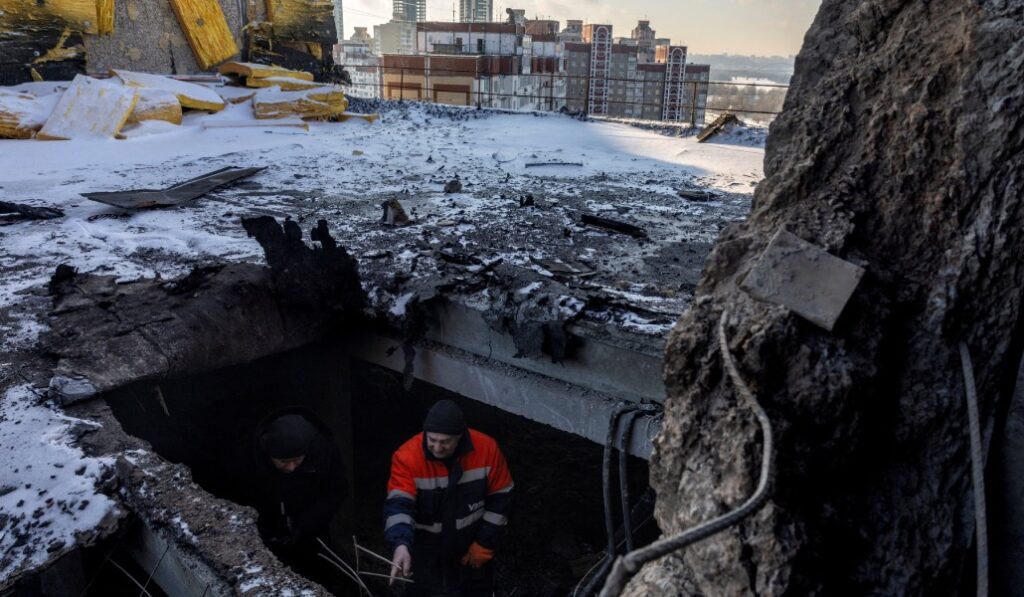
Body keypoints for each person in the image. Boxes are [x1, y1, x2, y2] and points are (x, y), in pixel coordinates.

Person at [385, 400, 514, 596]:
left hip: (470, 548)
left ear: (460, 437)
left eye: (445, 442)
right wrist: (401, 545)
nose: (437, 448)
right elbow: (400, 506)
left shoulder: (487, 450)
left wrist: (485, 544)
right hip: (426, 550)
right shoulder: (407, 457)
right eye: (432, 440)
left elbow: (501, 499)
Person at [250, 408, 347, 580]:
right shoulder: (254, 457)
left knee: (316, 567)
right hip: (267, 523)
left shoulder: (323, 452)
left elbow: (336, 490)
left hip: (310, 521)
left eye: (297, 460)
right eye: (283, 462)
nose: (291, 467)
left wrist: (306, 524)